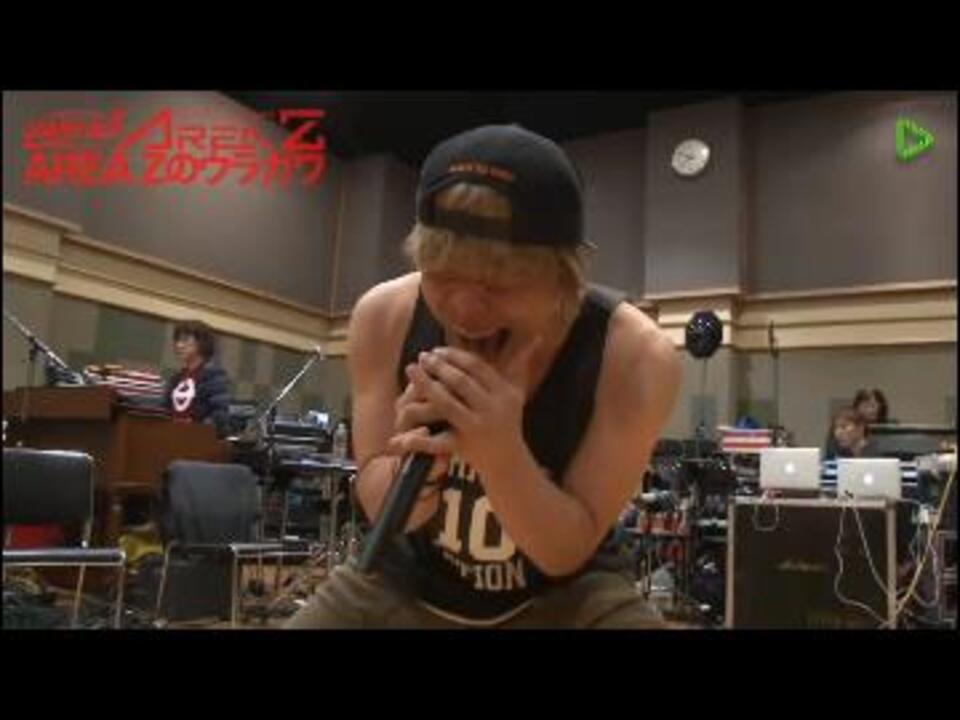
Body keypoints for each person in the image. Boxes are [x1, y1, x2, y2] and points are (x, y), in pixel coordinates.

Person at [287, 124, 681, 629]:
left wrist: (499, 450)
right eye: (442, 275)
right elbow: (385, 515)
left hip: (566, 594)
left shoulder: (635, 357)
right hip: (402, 579)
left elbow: (564, 552)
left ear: (565, 276)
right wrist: (414, 460)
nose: (465, 310)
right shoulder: (383, 317)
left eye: (502, 283)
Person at [163, 320, 232, 438]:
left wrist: (195, 430)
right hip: (170, 437)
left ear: (202, 343)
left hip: (196, 440)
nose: (179, 345)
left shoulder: (214, 376)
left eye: (185, 340)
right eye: (177, 340)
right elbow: (164, 409)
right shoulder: (176, 379)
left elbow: (220, 416)